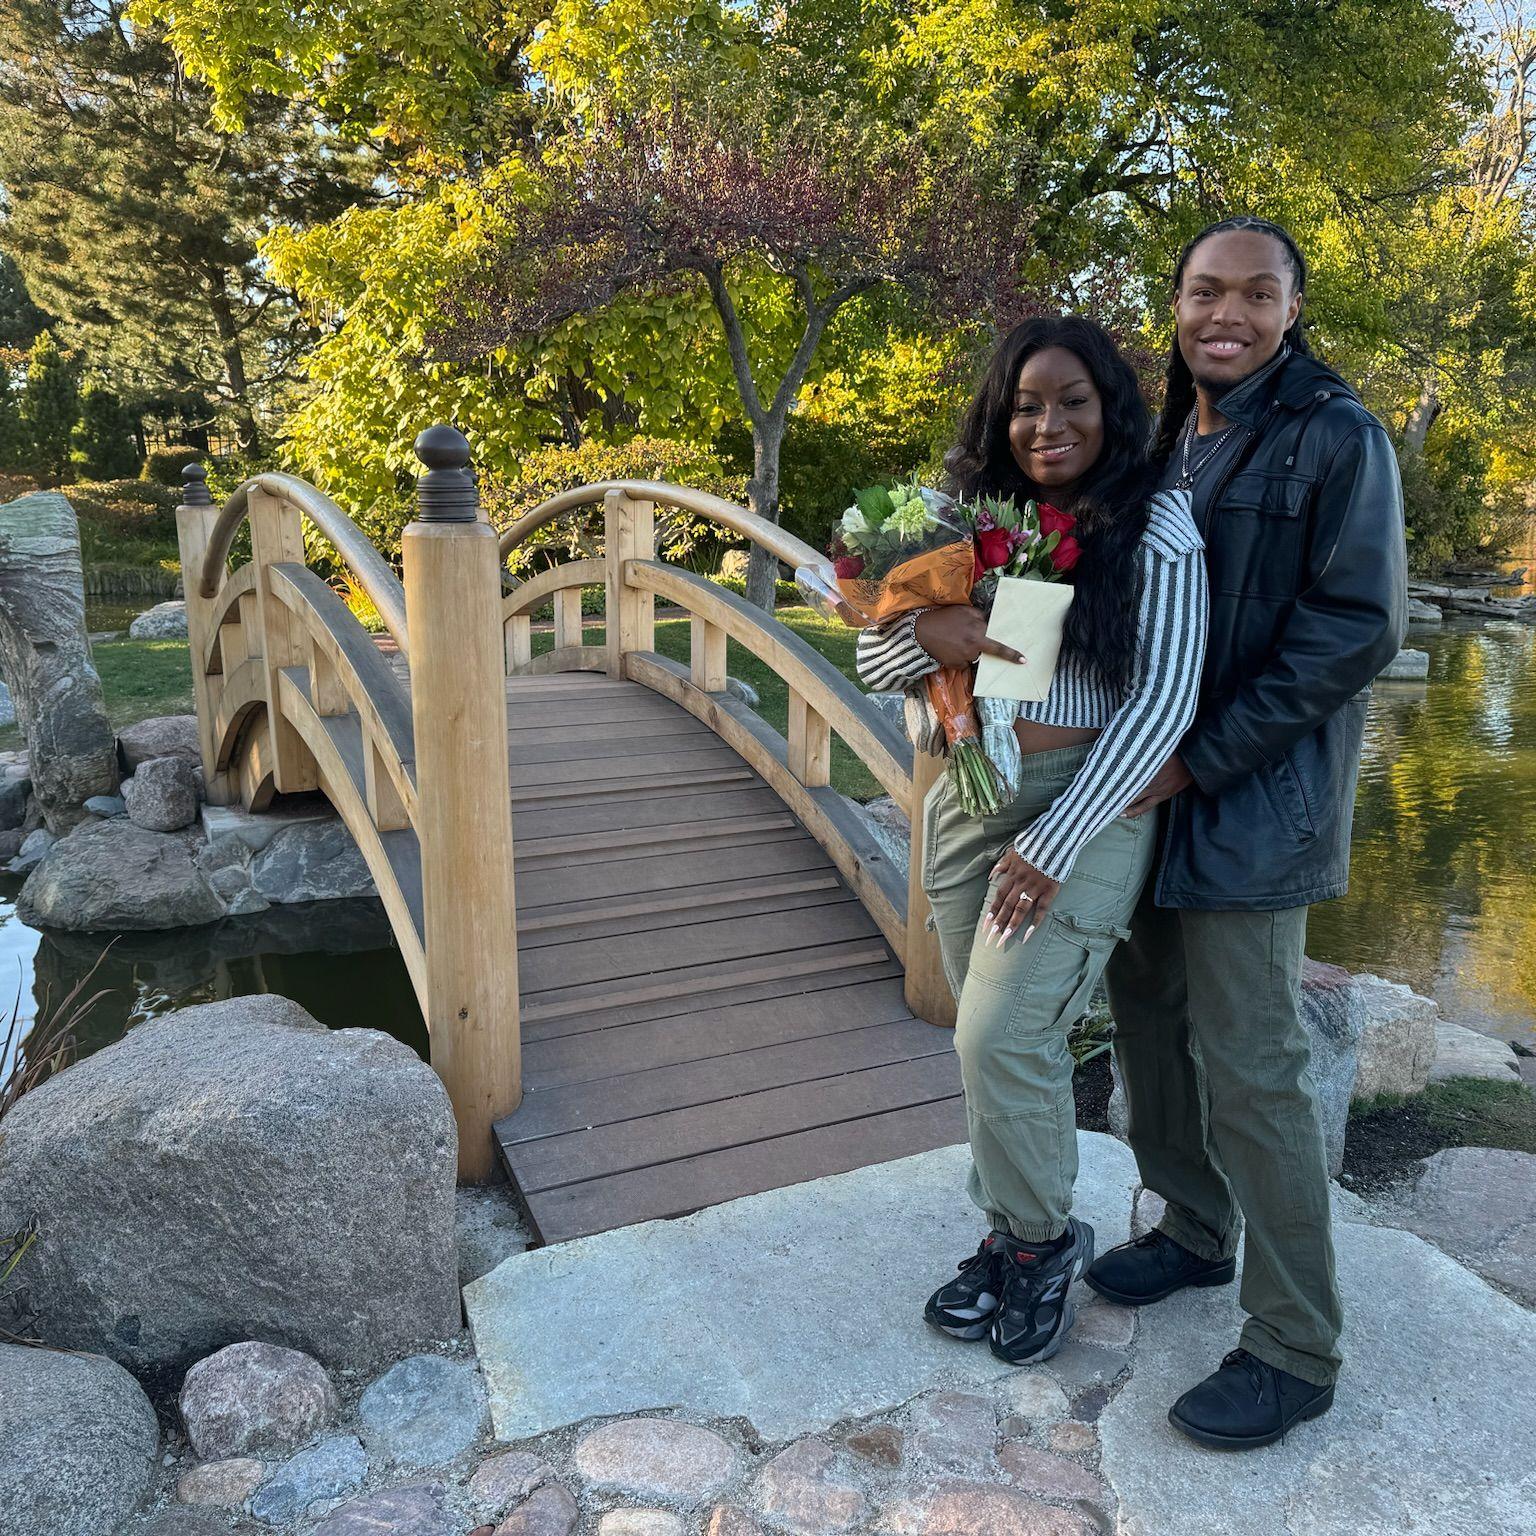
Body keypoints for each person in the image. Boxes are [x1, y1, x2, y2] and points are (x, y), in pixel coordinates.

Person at [1084, 216, 1407, 1450]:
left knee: (1255, 1069)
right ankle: (1193, 1227)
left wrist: (1198, 759)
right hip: (1145, 789)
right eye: (1205, 292)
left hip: (1252, 803)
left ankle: (1294, 1346)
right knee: (1148, 1024)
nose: (1227, 314)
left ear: (1291, 308)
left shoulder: (1336, 433)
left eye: (1256, 294)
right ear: (1175, 304)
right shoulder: (1172, 437)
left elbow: (1355, 629)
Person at [856, 314, 1208, 1367]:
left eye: (1072, 401)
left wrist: (1055, 838)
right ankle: (1014, 1233)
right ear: (998, 417)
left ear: (1111, 408)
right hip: (969, 796)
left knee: (1000, 1035)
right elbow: (872, 659)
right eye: (1025, 405)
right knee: (993, 1039)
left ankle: (1042, 1243)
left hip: (1087, 805)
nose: (1048, 424)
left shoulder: (1157, 523)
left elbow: (1165, 703)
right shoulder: (954, 518)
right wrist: (926, 631)